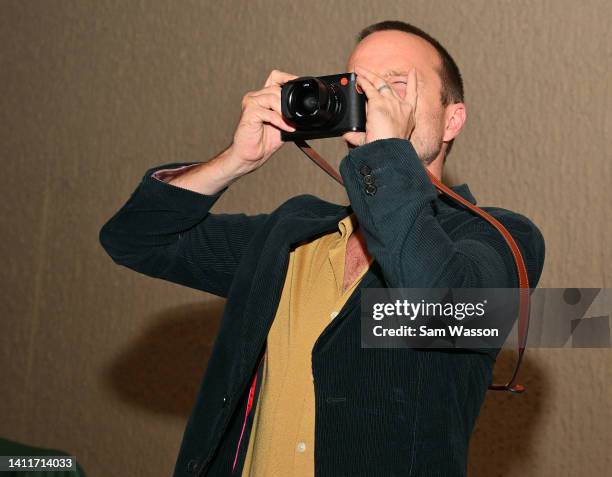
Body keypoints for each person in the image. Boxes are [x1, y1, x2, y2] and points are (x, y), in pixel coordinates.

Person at [99, 20, 545, 477]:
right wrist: (235, 161)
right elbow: (135, 239)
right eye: (358, 84)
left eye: (395, 84)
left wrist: (388, 149)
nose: (372, 99)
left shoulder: (501, 238)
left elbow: (437, 305)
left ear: (453, 119)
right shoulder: (291, 235)